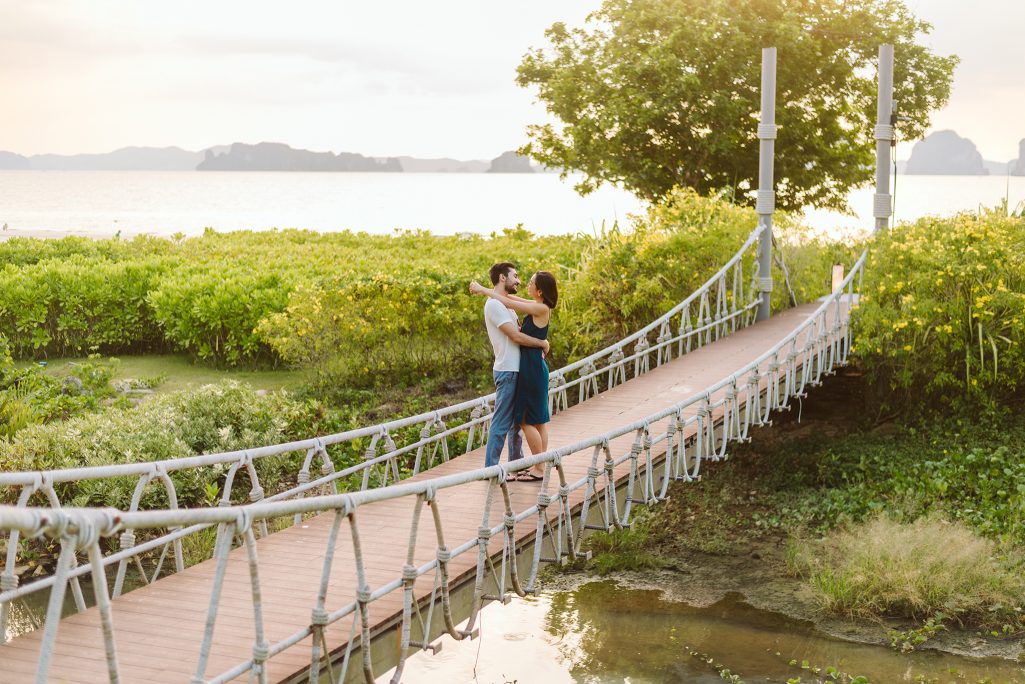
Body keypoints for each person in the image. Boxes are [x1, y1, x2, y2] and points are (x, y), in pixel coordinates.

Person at [471, 270, 557, 481]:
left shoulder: (538, 307)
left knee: (527, 421)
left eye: (530, 282)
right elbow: (509, 299)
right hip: (532, 365)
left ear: (539, 290)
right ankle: (537, 466)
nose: (524, 283)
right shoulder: (538, 304)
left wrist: (483, 290)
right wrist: (491, 292)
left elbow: (510, 303)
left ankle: (538, 468)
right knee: (539, 421)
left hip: (531, 367)